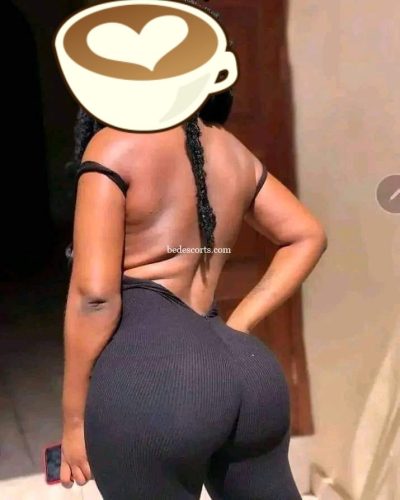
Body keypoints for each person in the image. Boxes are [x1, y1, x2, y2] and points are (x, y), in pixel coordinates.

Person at [60, 14, 327, 500]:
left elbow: (94, 296)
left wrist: (74, 420)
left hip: (158, 380)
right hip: (248, 371)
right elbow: (307, 235)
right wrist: (239, 324)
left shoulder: (112, 145)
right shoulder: (233, 151)